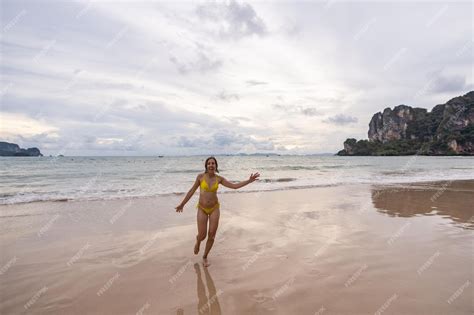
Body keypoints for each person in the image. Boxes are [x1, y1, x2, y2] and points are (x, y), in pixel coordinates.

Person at [175, 156, 260, 267]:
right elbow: (191, 191)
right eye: (209, 163)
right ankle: (198, 241)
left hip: (215, 208)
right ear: (206, 166)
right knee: (202, 235)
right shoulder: (200, 177)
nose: (211, 165)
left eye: (213, 163)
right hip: (202, 208)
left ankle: (205, 256)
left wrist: (249, 181)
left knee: (212, 235)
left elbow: (234, 186)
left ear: (216, 166)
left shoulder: (219, 179)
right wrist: (182, 204)